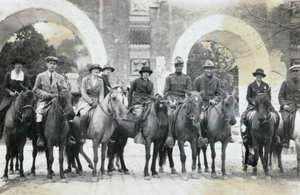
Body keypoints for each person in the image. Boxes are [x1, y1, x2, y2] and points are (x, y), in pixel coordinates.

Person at [33, 56, 74, 147]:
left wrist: (60, 96)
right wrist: (46, 95)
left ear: (56, 66)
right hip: (44, 101)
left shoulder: (60, 78)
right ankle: (40, 137)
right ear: (47, 64)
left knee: (68, 112)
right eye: (50, 64)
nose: (52, 66)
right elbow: (35, 89)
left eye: (54, 64)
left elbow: (64, 90)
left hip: (58, 101)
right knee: (38, 114)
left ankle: (69, 137)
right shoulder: (40, 76)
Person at [193, 60, 235, 143]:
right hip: (203, 104)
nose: (209, 71)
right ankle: (201, 136)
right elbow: (195, 94)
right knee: (201, 118)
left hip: (214, 104)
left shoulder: (217, 80)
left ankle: (228, 134)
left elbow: (218, 94)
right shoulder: (198, 80)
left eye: (211, 69)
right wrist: (201, 101)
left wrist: (214, 100)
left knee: (225, 114)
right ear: (204, 69)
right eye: (207, 69)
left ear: (213, 70)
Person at [241, 68, 280, 145]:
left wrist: (266, 103)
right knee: (244, 116)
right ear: (255, 76)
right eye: (258, 75)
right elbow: (248, 97)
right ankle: (247, 134)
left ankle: (275, 135)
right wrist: (253, 102)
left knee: (276, 115)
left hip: (264, 105)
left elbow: (269, 97)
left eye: (260, 75)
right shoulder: (251, 85)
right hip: (253, 105)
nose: (259, 77)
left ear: (262, 76)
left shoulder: (266, 85)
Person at [163, 56, 192, 148]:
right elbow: (166, 92)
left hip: (183, 102)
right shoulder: (169, 78)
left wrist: (184, 101)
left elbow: (189, 92)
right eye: (177, 65)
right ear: (174, 66)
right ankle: (169, 136)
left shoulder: (187, 78)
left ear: (183, 66)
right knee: (169, 115)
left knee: (193, 115)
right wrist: (170, 101)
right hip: (172, 102)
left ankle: (195, 136)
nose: (179, 67)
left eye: (180, 65)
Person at [0, 57, 31, 139]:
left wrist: (21, 93)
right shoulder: (9, 74)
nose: (18, 65)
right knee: (1, 110)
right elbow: (5, 87)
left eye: (20, 64)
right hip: (9, 97)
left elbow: (27, 88)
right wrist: (11, 92)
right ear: (14, 65)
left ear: (22, 66)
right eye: (17, 64)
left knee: (30, 111)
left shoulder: (25, 76)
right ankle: (1, 130)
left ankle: (30, 132)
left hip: (22, 97)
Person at [75, 64, 104, 143]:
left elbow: (101, 93)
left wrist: (100, 102)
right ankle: (82, 135)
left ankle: (100, 135)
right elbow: (83, 93)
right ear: (91, 71)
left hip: (97, 101)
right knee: (84, 114)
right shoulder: (85, 79)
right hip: (86, 100)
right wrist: (90, 102)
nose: (96, 71)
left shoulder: (100, 81)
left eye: (98, 69)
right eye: (94, 69)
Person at [127, 66, 154, 145]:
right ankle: (137, 134)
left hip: (147, 101)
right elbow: (130, 92)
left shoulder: (151, 83)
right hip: (137, 101)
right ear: (142, 74)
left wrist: (157, 99)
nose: (146, 74)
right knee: (139, 115)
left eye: (147, 73)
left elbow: (151, 95)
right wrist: (130, 103)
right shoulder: (136, 81)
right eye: (144, 72)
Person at [278, 64, 300, 148]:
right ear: (291, 73)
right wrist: (284, 105)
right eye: (293, 71)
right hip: (288, 106)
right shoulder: (285, 83)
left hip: (299, 105)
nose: (295, 73)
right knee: (286, 121)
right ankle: (286, 140)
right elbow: (281, 96)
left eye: (297, 71)